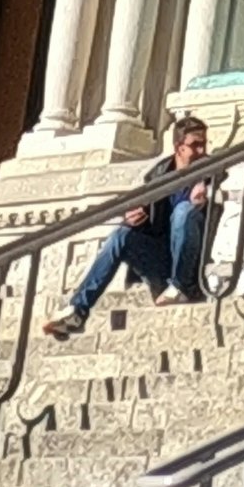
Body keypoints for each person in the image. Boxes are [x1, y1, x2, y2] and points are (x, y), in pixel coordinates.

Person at [44, 115, 218, 335]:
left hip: (194, 268)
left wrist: (206, 185)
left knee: (184, 211)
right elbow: (149, 219)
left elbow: (226, 184)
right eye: (195, 145)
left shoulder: (213, 169)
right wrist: (134, 219)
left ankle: (181, 287)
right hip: (162, 262)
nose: (202, 150)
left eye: (204, 144)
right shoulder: (157, 175)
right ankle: (77, 310)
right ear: (179, 148)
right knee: (121, 235)